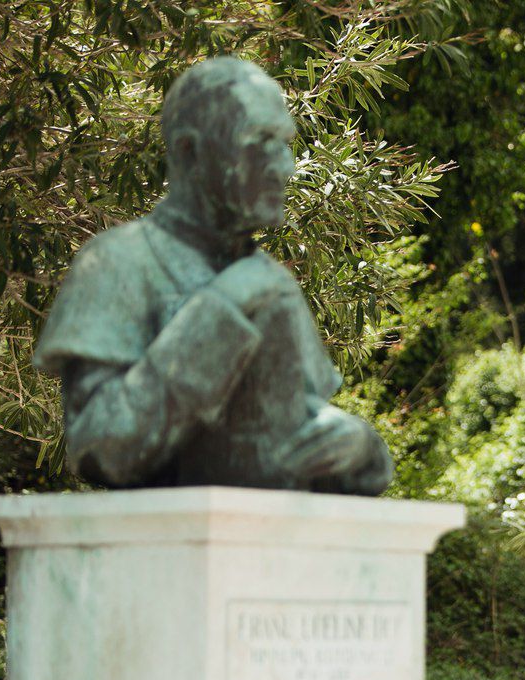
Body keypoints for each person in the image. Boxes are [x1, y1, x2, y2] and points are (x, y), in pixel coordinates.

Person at [33, 57, 393, 494]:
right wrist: (223, 306)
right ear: (191, 151)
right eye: (260, 141)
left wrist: (360, 450)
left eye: (284, 144)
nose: (285, 167)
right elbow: (102, 449)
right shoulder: (116, 263)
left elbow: (301, 428)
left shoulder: (271, 280)